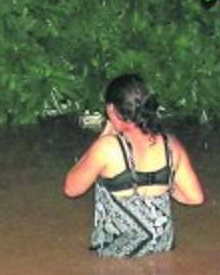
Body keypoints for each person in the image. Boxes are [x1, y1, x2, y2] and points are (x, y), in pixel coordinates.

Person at [64, 74, 205, 257]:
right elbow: (194, 197)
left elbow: (71, 188)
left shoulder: (107, 148)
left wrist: (103, 137)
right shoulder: (171, 145)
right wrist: (160, 186)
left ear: (112, 109)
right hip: (161, 246)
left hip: (117, 252)